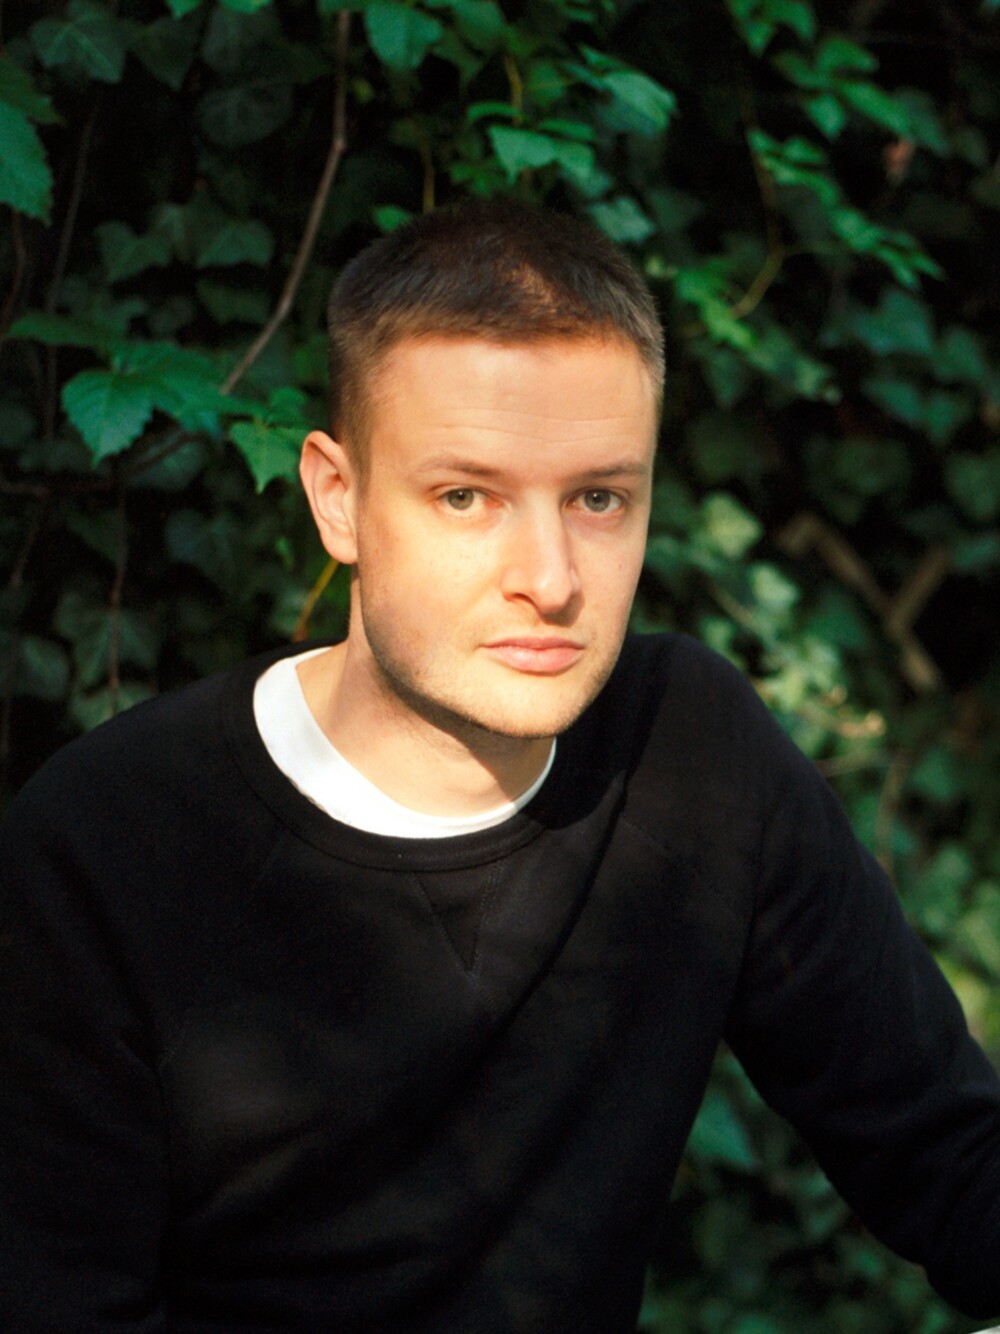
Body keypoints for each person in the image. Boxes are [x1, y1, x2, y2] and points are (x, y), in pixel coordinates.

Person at [1, 200, 999, 1333]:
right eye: (465, 495)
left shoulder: (691, 749)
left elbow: (948, 1150)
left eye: (597, 498)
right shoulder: (107, 839)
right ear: (338, 497)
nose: (551, 576)